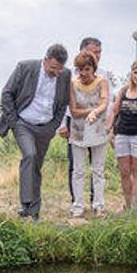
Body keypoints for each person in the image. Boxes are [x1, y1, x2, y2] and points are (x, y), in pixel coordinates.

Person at [0, 44, 71, 220]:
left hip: (46, 126)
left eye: (59, 70)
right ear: (45, 60)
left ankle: (35, 211)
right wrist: (14, 122)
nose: (55, 73)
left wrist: (54, 126)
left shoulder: (65, 74)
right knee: (29, 155)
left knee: (36, 166)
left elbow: (63, 103)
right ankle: (26, 204)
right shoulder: (25, 67)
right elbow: (6, 93)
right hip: (23, 123)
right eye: (53, 68)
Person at [59, 37, 114, 207]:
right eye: (93, 52)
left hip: (99, 126)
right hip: (76, 126)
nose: (97, 55)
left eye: (99, 52)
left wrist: (109, 123)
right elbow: (65, 105)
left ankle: (97, 202)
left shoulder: (104, 76)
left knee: (97, 168)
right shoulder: (70, 77)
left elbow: (108, 102)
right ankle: (77, 203)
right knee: (77, 168)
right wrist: (62, 125)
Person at [106, 58, 137, 210]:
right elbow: (114, 111)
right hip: (122, 134)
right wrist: (109, 130)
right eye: (135, 72)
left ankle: (134, 206)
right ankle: (127, 205)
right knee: (124, 172)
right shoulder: (123, 90)